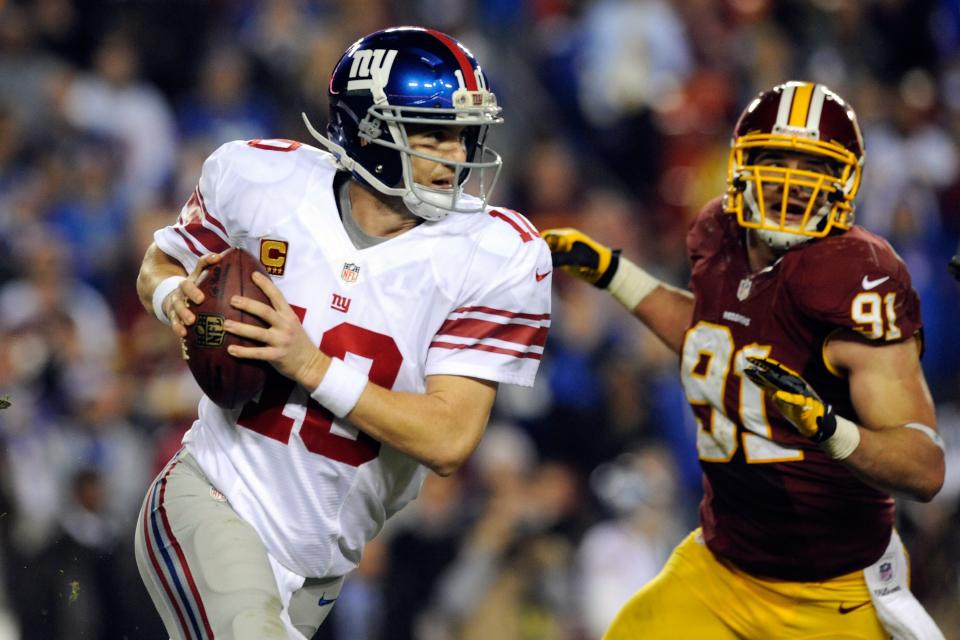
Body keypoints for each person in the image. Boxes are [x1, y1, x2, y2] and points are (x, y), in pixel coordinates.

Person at [134, 26, 552, 640]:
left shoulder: (495, 254)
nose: (457, 155)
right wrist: (178, 299)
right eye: (432, 132)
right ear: (369, 130)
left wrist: (312, 366)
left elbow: (449, 438)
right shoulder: (262, 182)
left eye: (463, 134)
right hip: (213, 497)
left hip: (322, 570)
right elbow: (159, 264)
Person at [543, 81, 946, 639]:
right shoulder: (718, 235)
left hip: (834, 590)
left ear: (843, 181)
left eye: (809, 165)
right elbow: (715, 340)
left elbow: (924, 469)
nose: (788, 180)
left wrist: (832, 432)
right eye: (774, 159)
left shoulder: (855, 275)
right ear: (740, 165)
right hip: (721, 568)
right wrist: (615, 274)